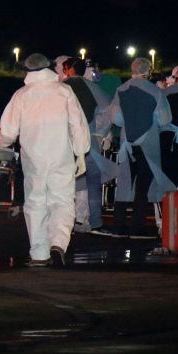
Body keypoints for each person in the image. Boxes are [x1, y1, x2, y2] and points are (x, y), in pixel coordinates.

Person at [0, 53, 91, 267]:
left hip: (34, 159)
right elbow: (78, 124)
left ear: (27, 70)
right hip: (62, 156)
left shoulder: (21, 95)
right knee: (63, 201)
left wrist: (1, 146)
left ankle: (39, 253)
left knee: (36, 203)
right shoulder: (64, 91)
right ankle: (58, 243)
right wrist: (81, 152)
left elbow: (8, 132)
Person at [109, 57, 176, 238]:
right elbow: (164, 119)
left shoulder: (121, 90)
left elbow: (115, 118)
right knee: (143, 186)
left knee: (124, 184)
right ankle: (137, 226)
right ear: (149, 71)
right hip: (148, 143)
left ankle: (118, 225)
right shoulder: (156, 92)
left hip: (126, 143)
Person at [61, 57, 121, 236]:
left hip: (67, 142)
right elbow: (108, 109)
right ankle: (95, 221)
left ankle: (66, 222)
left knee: (67, 184)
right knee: (93, 182)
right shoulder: (93, 87)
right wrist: (99, 132)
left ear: (70, 69)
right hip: (90, 142)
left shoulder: (62, 88)